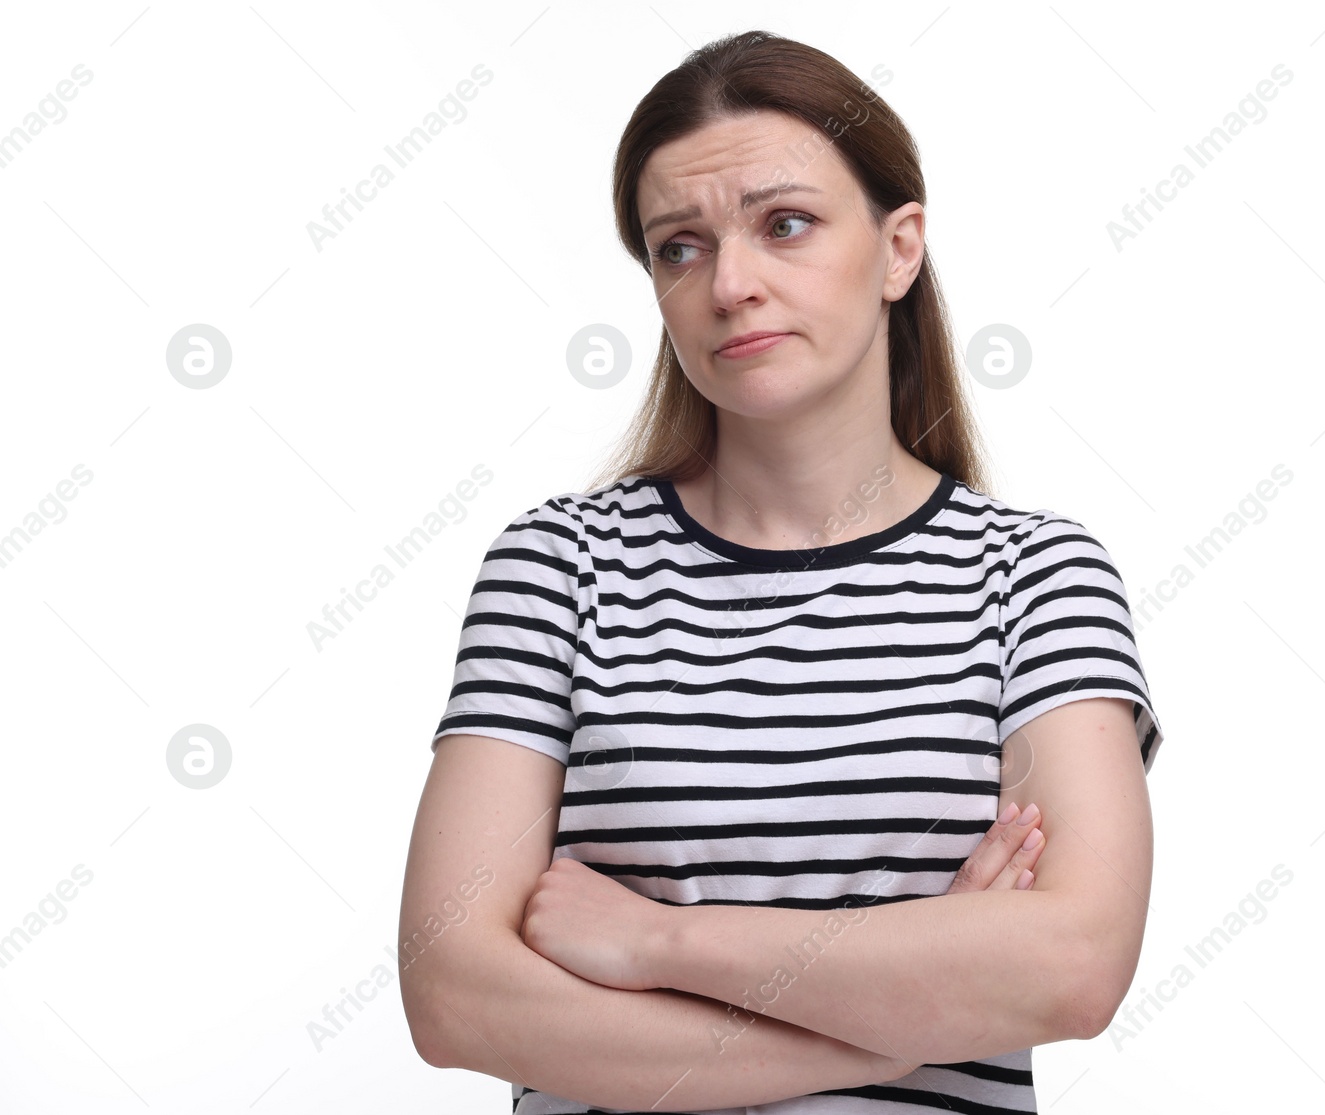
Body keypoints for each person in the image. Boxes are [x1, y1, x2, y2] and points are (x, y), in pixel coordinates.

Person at [398, 29, 1165, 1115]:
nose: (731, 283)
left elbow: (1071, 965)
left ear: (899, 247)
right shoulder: (558, 566)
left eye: (785, 224)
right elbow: (455, 995)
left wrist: (657, 938)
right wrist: (908, 1012)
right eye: (680, 245)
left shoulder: (1035, 575)